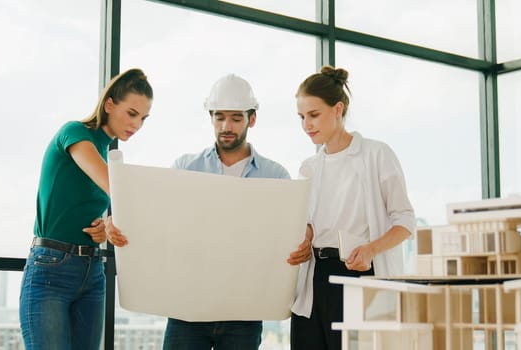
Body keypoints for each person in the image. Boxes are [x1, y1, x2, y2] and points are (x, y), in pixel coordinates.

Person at [107, 73, 312, 349]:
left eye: (236, 118)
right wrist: (118, 222)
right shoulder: (185, 168)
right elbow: (158, 221)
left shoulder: (275, 175)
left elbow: (284, 237)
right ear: (211, 118)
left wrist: (304, 241)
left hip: (244, 314)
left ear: (251, 119)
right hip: (186, 312)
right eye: (219, 117)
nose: (226, 126)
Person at [19, 68, 153, 350]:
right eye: (131, 113)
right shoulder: (75, 134)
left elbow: (94, 207)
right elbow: (110, 186)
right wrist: (120, 213)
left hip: (93, 272)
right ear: (109, 105)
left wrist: (104, 227)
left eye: (143, 118)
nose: (137, 124)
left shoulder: (108, 156)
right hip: (50, 269)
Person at [290, 66, 416, 350]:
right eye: (301, 117)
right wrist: (306, 236)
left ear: (338, 109)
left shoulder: (376, 154)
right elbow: (309, 222)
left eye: (313, 115)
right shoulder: (308, 168)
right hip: (314, 279)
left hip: (358, 275)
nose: (306, 125)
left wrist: (371, 249)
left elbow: (405, 220)